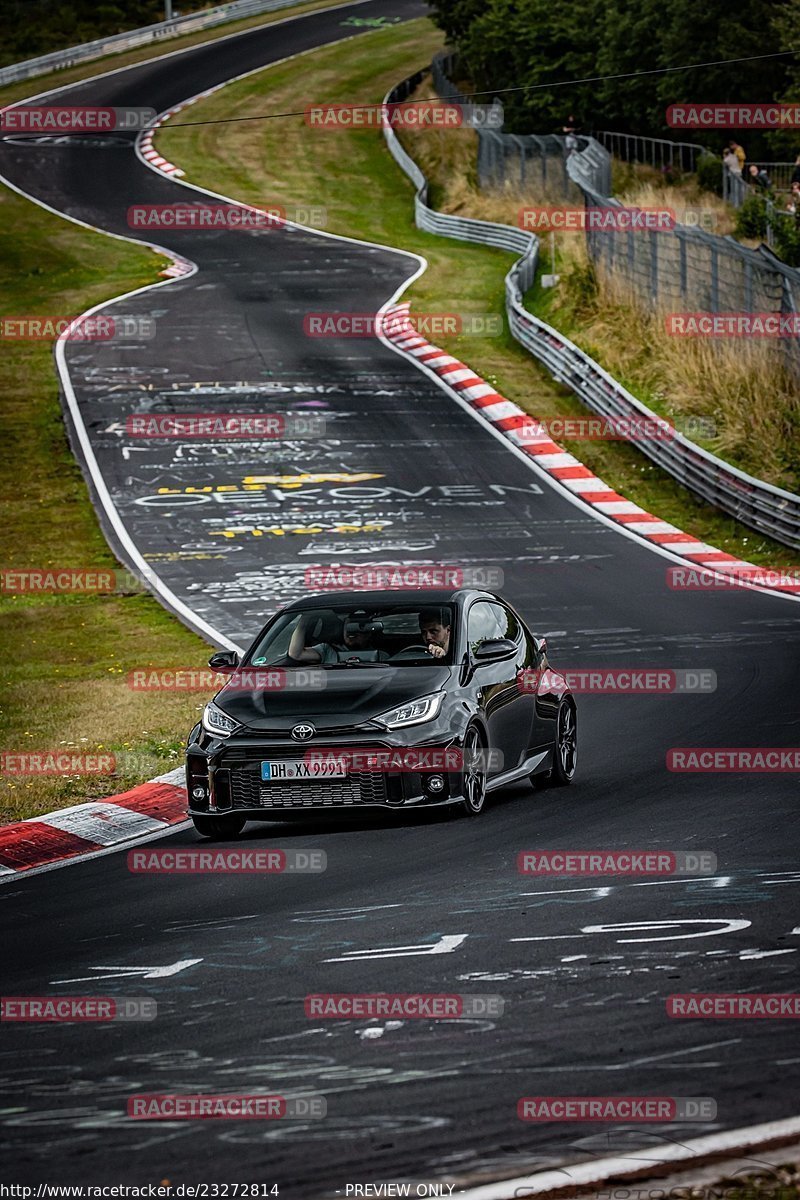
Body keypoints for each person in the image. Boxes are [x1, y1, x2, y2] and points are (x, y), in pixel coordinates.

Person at [289, 611, 388, 664]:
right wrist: (304, 622)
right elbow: (296, 654)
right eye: (348, 627)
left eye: (357, 628)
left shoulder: (381, 656)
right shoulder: (327, 650)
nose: (351, 632)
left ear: (369, 632)